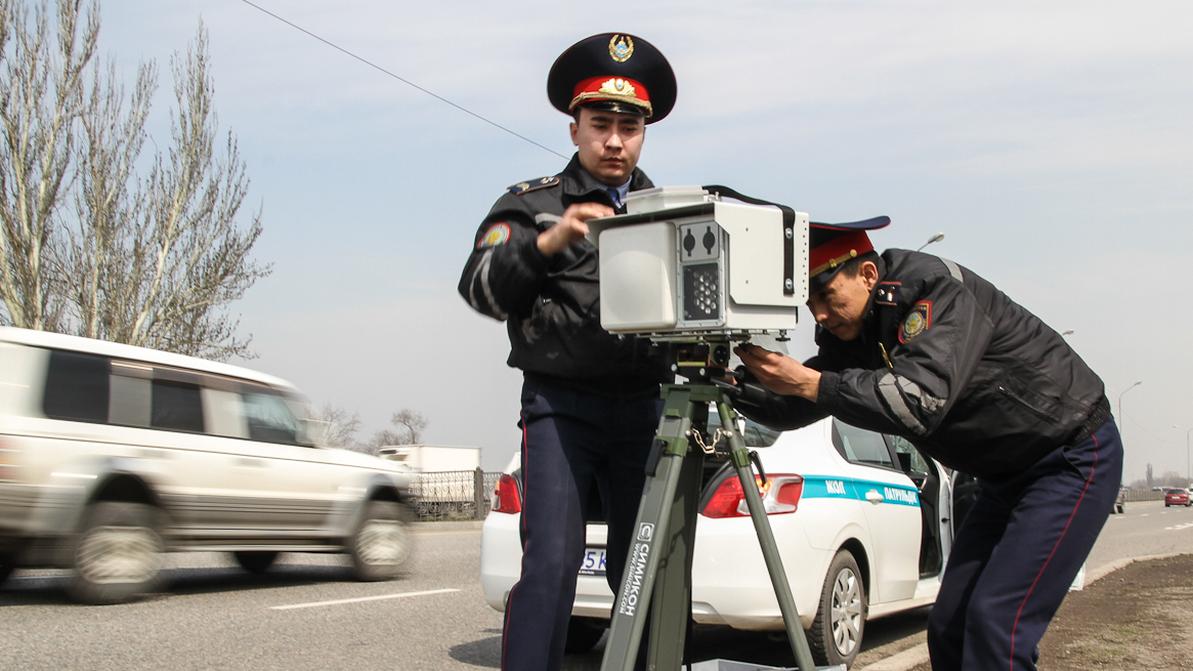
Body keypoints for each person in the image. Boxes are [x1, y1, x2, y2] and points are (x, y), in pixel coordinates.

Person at [727, 219, 1122, 670]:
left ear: (868, 276)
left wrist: (809, 383)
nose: (818, 314)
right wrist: (735, 384)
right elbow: (807, 400)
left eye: (825, 296)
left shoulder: (937, 292)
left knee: (998, 624)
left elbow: (916, 400)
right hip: (1002, 476)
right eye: (810, 301)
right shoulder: (855, 327)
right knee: (950, 625)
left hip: (1068, 455)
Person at [457, 33, 677, 670]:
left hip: (645, 412)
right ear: (574, 126)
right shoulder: (529, 205)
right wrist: (547, 245)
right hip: (561, 410)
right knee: (551, 563)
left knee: (649, 572)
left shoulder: (669, 212)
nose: (614, 140)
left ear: (644, 133)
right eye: (600, 124)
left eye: (628, 127)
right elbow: (479, 288)